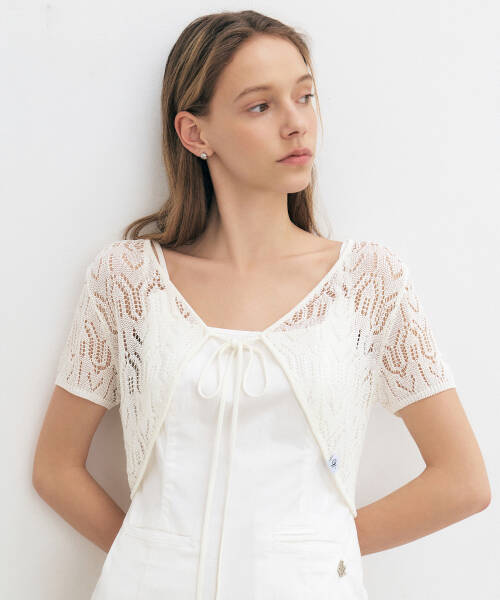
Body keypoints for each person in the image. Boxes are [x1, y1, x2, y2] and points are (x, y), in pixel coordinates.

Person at [32, 10, 491, 600]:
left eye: (305, 97)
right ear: (195, 134)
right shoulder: (127, 280)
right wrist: (150, 558)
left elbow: (462, 480)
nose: (296, 124)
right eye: (260, 106)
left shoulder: (368, 282)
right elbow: (56, 468)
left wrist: (315, 557)